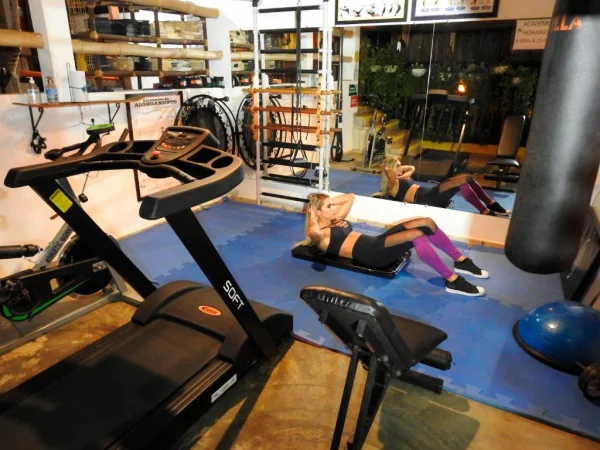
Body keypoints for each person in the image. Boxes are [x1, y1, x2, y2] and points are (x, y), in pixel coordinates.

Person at [301, 192, 487, 297]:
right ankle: (452, 280)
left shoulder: (335, 219)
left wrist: (327, 202)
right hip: (371, 255)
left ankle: (460, 260)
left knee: (426, 222)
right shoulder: (320, 234)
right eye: (329, 207)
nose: (334, 208)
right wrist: (313, 213)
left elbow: (350, 197)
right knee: (416, 235)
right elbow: (313, 232)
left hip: (375, 242)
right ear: (317, 212)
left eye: (333, 205)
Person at [380, 156, 510, 216]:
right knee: (463, 181)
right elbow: (390, 171)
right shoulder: (392, 184)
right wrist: (387, 167)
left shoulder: (401, 177)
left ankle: (490, 203)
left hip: (431, 193)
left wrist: (403, 171)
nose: (401, 167)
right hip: (427, 199)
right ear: (390, 169)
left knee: (467, 177)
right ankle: (485, 209)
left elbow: (411, 167)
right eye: (398, 166)